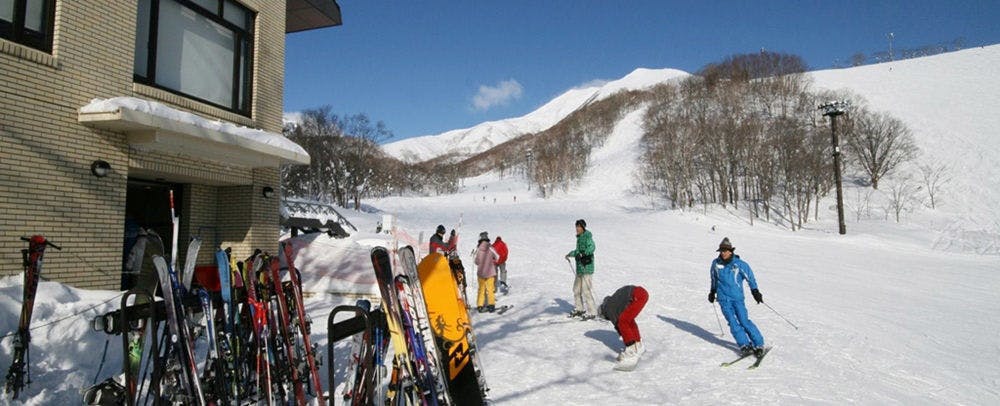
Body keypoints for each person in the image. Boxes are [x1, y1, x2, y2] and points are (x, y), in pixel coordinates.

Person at [708, 237, 766, 357]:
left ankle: (758, 344)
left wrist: (755, 291)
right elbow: (714, 278)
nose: (723, 253)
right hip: (723, 299)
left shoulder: (740, 265)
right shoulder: (715, 263)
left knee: (744, 321)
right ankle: (744, 344)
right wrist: (712, 291)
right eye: (721, 251)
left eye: (725, 251)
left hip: (737, 298)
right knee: (733, 323)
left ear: (731, 251)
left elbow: (751, 278)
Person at [599, 285, 649, 369]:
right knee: (628, 319)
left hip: (637, 296)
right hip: (641, 293)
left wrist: (625, 337)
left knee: (623, 321)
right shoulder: (613, 300)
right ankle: (638, 344)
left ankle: (631, 351)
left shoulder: (609, 308)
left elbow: (618, 324)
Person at [565, 219, 597, 320]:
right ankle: (579, 308)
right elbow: (578, 252)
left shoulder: (587, 236)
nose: (577, 229)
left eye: (579, 227)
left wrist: (584, 254)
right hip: (579, 269)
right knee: (576, 289)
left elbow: (592, 247)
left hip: (587, 268)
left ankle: (592, 312)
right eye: (576, 226)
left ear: (583, 227)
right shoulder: (579, 238)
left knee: (586, 290)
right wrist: (570, 254)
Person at [473, 231, 498, 312]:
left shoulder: (478, 249)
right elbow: (497, 257)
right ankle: (491, 305)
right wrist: (492, 260)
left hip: (481, 273)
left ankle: (480, 305)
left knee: (481, 289)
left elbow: (476, 262)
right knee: (490, 289)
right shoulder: (491, 248)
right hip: (490, 272)